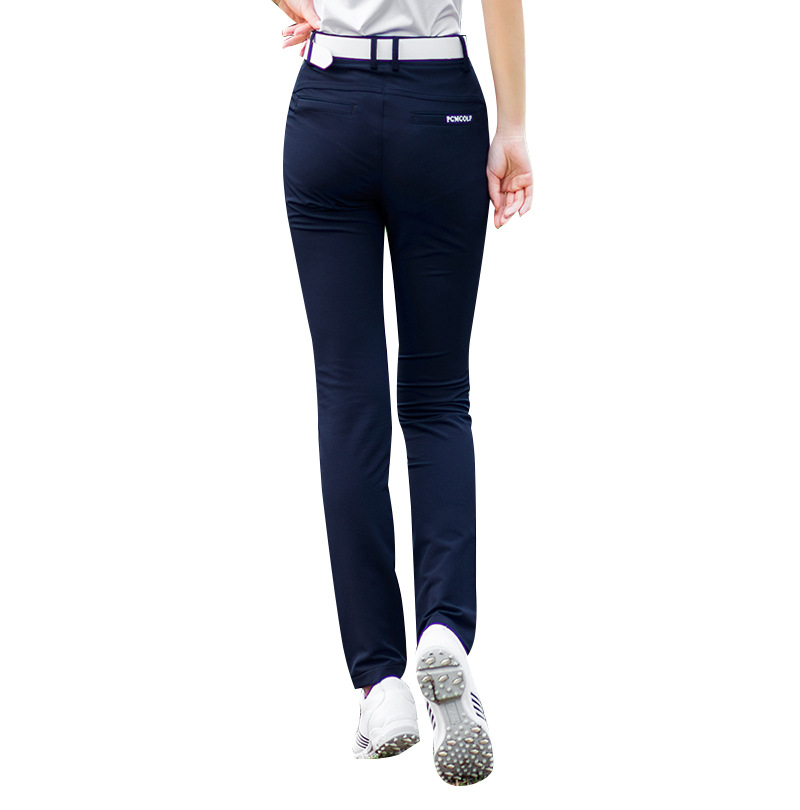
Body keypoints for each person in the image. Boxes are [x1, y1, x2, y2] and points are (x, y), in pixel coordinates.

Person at [272, 0, 531, 786]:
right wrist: (513, 126)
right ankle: (444, 629)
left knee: (349, 401)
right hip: (438, 104)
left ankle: (380, 686)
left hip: (329, 101)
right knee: (437, 397)